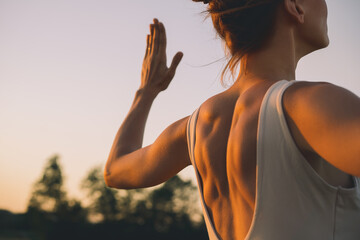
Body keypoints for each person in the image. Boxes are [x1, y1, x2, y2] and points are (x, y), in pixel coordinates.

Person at [104, 0, 360, 239]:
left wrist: (145, 93)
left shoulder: (195, 129)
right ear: (294, 5)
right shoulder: (311, 105)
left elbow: (115, 170)